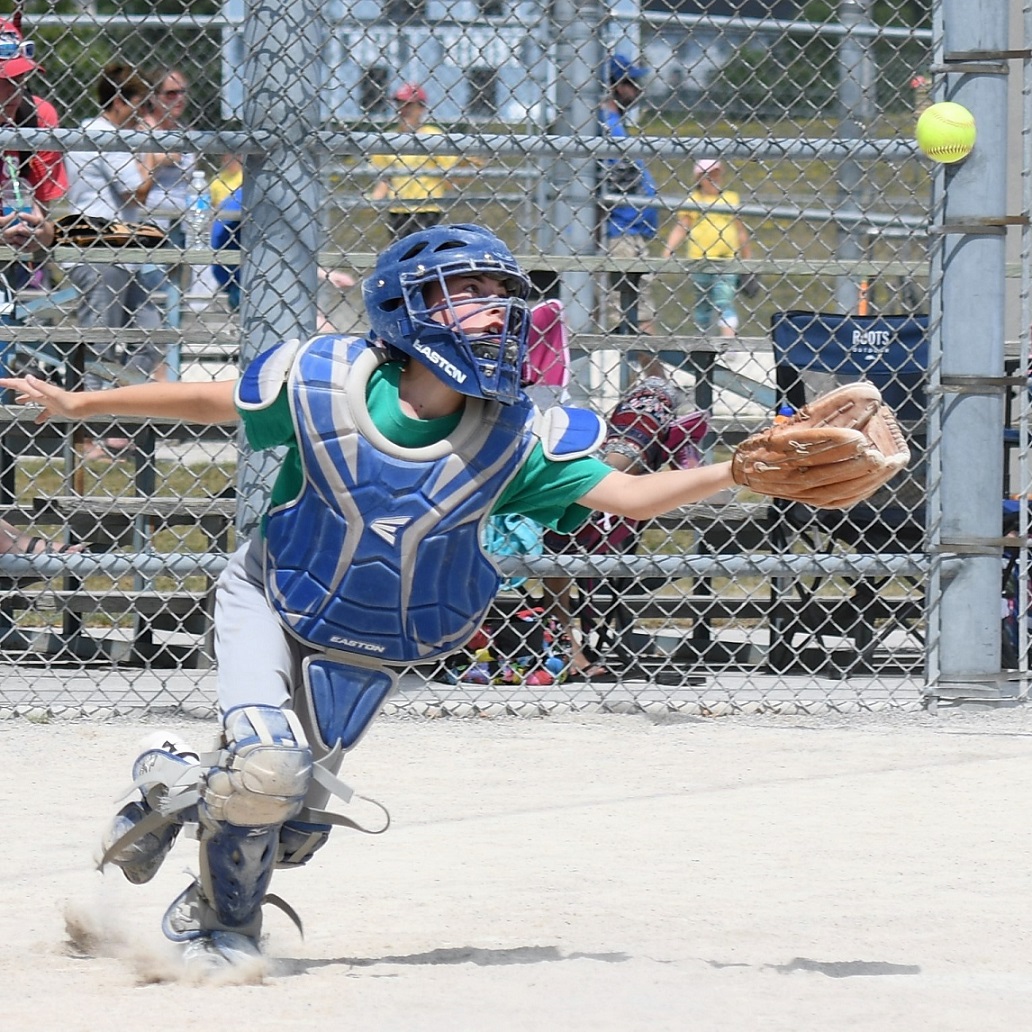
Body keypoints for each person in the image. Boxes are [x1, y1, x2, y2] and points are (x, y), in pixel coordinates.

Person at [0, 223, 737, 973]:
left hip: (370, 643)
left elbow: (632, 497)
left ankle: (169, 788)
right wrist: (81, 403)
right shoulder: (332, 385)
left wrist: (739, 470)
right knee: (266, 773)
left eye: (503, 296)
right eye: (472, 293)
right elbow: (207, 400)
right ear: (406, 307)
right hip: (272, 596)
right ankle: (220, 932)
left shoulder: (517, 436)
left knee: (289, 825)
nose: (498, 310)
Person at [541, 376, 707, 678]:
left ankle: (640, 434)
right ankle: (644, 432)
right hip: (567, 495)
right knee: (616, 457)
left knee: (622, 449)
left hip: (594, 492)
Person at [65, 63, 164, 400]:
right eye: (141, 103)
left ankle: (119, 405)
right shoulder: (104, 134)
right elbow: (138, 190)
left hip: (119, 248)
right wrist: (151, 153)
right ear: (119, 101)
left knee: (152, 334)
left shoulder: (107, 134)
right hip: (97, 248)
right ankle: (90, 430)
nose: (144, 113)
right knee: (100, 341)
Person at [0, 15, 68, 388]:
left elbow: (43, 215)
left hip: (10, 260)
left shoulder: (37, 116)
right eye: (1, 81)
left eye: (18, 78)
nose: (12, 91)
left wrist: (38, 229)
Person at [599, 54, 659, 339]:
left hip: (631, 231)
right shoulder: (607, 124)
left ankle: (642, 380)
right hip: (622, 233)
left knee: (634, 319)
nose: (636, 90)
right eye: (631, 83)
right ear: (617, 86)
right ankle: (655, 382)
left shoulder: (614, 124)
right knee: (638, 320)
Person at [662, 159, 753, 339]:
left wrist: (747, 257)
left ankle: (728, 344)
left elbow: (740, 230)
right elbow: (682, 227)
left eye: (716, 174)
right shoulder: (693, 200)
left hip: (726, 260)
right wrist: (668, 250)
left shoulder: (730, 198)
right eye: (708, 175)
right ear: (698, 178)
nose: (713, 179)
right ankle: (703, 340)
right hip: (699, 261)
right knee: (702, 304)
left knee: (724, 301)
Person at [368, 83, 460, 241]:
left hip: (428, 208)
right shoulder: (390, 138)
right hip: (398, 210)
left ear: (421, 108)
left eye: (409, 105)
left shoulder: (434, 136)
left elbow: (450, 180)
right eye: (399, 104)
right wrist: (373, 202)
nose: (403, 110)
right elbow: (385, 179)